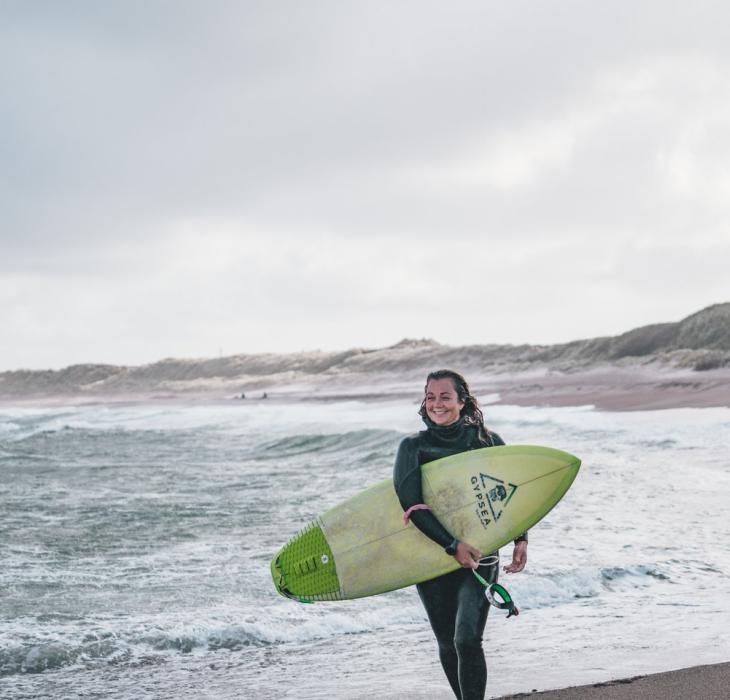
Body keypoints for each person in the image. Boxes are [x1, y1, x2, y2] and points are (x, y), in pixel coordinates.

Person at [393, 369, 528, 700]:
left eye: (444, 396)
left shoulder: (488, 442)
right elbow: (412, 504)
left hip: (481, 554)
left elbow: (511, 495)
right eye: (430, 397)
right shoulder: (413, 447)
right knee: (446, 642)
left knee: (466, 638)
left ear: (462, 401)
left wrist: (521, 539)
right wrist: (452, 545)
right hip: (431, 555)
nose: (436, 404)